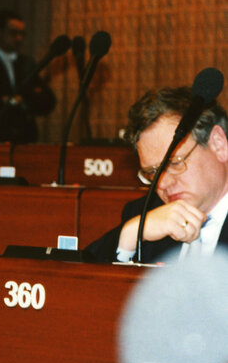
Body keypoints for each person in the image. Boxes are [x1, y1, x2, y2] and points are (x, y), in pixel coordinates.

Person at [86, 86, 228, 263]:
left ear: (218, 144)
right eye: (152, 172)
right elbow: (78, 275)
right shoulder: (146, 214)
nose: (163, 183)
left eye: (175, 163)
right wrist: (131, 236)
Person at [0, 10, 56, 143]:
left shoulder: (26, 63)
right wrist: (3, 101)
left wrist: (24, 101)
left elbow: (48, 101)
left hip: (24, 139)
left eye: (22, 34)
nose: (19, 38)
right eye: (13, 33)